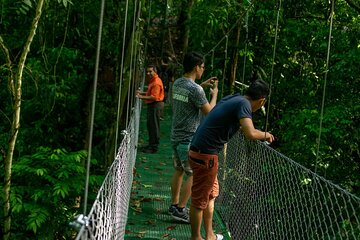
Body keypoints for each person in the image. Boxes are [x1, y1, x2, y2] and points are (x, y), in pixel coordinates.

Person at [188, 79, 275, 240]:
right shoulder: (244, 105)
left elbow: (226, 119)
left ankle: (209, 235)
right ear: (262, 100)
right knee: (199, 200)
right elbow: (250, 133)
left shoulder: (234, 98)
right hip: (205, 155)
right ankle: (195, 237)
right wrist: (266, 135)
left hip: (201, 152)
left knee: (211, 194)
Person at [169, 51, 219, 223]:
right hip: (188, 139)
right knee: (194, 174)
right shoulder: (196, 90)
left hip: (175, 136)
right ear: (197, 67)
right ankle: (181, 209)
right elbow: (210, 113)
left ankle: (174, 204)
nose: (203, 70)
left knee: (179, 170)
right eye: (203, 67)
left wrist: (202, 86)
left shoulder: (177, 83)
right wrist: (214, 95)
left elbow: (189, 95)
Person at [136, 65, 164, 153]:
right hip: (153, 105)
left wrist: (140, 97)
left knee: (153, 126)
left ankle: (153, 147)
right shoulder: (154, 80)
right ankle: (151, 145)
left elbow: (154, 97)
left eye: (150, 71)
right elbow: (150, 93)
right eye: (147, 72)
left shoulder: (156, 82)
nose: (148, 73)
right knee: (151, 125)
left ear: (155, 72)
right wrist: (142, 93)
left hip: (155, 105)